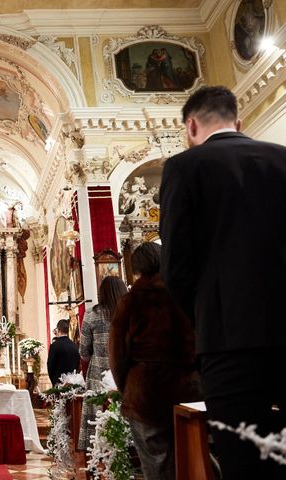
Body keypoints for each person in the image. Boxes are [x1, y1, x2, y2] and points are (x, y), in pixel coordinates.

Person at [160, 86, 286, 479]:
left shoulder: (185, 166)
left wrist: (205, 316)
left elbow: (176, 265)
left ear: (191, 125)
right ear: (239, 121)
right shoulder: (283, 159)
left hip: (230, 341)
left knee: (243, 459)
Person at [109, 243, 200, 479]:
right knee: (196, 459)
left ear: (135, 269)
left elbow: (117, 357)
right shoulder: (186, 295)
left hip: (145, 394)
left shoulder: (130, 302)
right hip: (189, 391)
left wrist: (128, 389)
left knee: (157, 465)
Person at [77, 276, 127, 450]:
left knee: (96, 417)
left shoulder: (92, 314)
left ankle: (95, 455)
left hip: (99, 374)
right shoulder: (131, 312)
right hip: (125, 374)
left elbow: (83, 351)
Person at [47, 319, 81, 388]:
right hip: (72, 384)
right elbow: (77, 365)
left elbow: (50, 365)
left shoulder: (54, 345)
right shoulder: (75, 346)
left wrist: (54, 381)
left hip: (58, 383)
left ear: (58, 330)